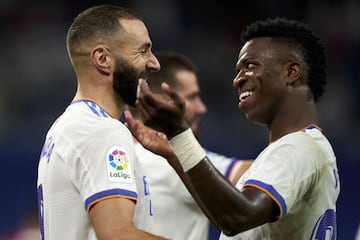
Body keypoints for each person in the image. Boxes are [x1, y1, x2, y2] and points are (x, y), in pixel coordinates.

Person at [125, 17, 340, 239]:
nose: (237, 80)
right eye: (238, 70)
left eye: (250, 65)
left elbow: (237, 217)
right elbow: (225, 213)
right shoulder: (303, 148)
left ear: (291, 72)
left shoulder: (298, 148)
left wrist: (180, 135)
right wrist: (175, 154)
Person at [36, 5, 167, 239]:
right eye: (143, 51)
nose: (154, 63)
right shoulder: (100, 130)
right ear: (103, 59)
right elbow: (117, 235)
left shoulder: (66, 126)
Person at [128, 52, 252, 240]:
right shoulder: (166, 158)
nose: (201, 108)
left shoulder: (118, 153)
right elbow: (258, 176)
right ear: (158, 100)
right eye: (192, 97)